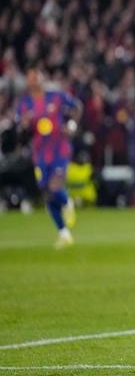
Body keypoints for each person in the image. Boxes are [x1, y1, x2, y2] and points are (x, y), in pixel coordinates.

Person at [15, 61, 80, 248]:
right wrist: (24, 125)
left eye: (37, 75)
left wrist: (72, 125)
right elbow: (21, 132)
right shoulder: (24, 104)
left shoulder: (56, 96)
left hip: (60, 150)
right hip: (40, 154)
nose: (34, 79)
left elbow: (77, 106)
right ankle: (64, 233)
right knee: (47, 193)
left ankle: (67, 202)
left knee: (55, 187)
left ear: (42, 77)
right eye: (31, 76)